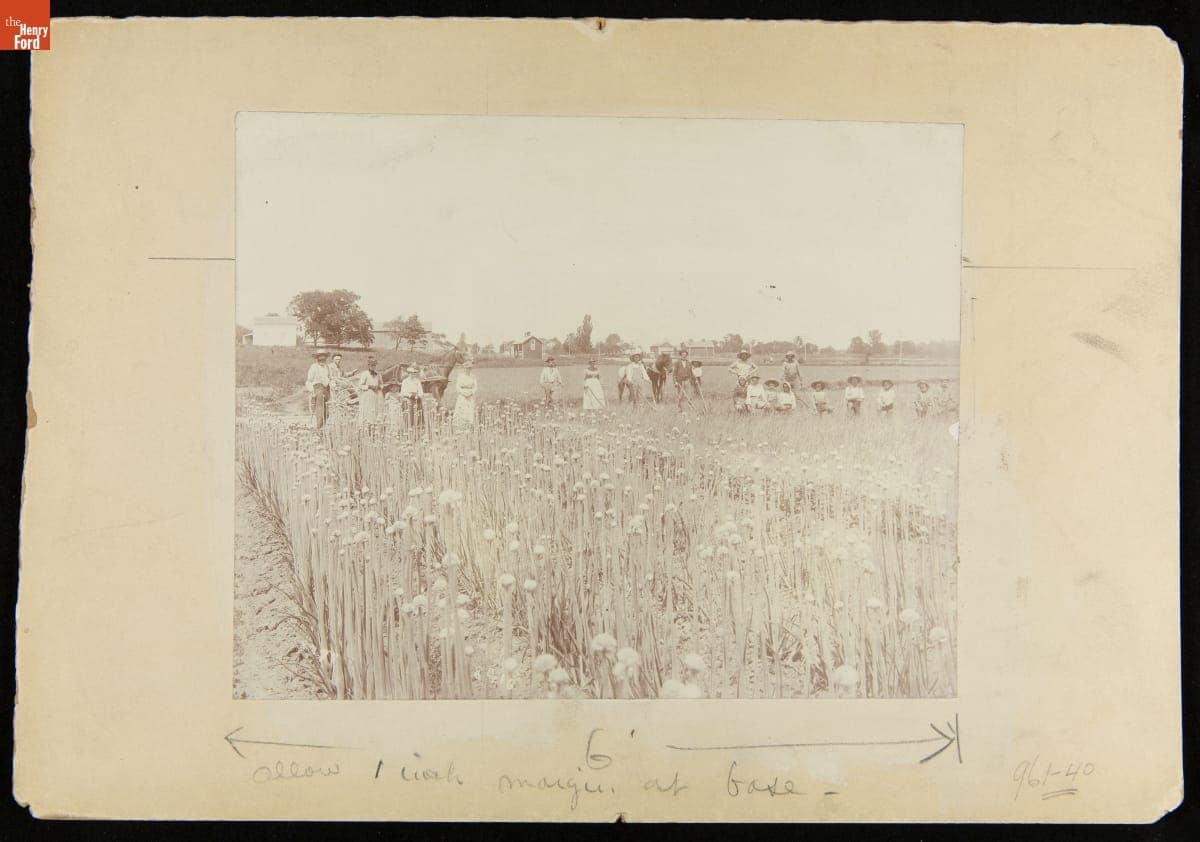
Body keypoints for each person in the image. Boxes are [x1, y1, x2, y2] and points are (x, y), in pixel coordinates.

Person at [305, 350, 333, 428]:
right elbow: (309, 380)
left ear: (326, 358)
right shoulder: (313, 367)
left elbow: (330, 378)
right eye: (320, 357)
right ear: (317, 358)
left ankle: (323, 427)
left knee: (327, 411)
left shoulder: (327, 367)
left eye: (324, 357)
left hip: (327, 388)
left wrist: (332, 384)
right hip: (318, 388)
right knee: (320, 409)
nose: (322, 359)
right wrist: (312, 391)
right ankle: (318, 427)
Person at [356, 356, 384, 422]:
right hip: (368, 394)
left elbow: (382, 384)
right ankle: (367, 423)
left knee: (376, 408)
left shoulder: (378, 374)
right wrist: (369, 386)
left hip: (376, 394)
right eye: (372, 365)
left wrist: (379, 387)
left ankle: (375, 423)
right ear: (368, 365)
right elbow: (360, 385)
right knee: (368, 409)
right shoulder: (365, 374)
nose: (373, 367)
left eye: (374, 365)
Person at [453, 359, 477, 427]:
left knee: (469, 410)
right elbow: (457, 387)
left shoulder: (473, 376)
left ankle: (469, 424)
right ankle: (460, 425)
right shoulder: (460, 376)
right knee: (461, 410)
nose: (468, 369)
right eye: (467, 368)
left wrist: (471, 393)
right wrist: (463, 393)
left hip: (470, 396)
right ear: (464, 368)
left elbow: (475, 387)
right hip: (462, 396)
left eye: (470, 368)